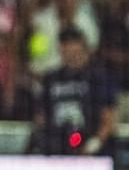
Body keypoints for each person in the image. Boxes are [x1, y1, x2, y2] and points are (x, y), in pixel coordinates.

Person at [34, 27, 117, 156]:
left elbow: (108, 119)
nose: (71, 58)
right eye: (66, 53)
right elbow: (41, 117)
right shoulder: (51, 79)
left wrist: (92, 146)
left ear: (85, 50)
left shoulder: (98, 78)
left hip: (87, 141)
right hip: (56, 144)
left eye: (75, 53)